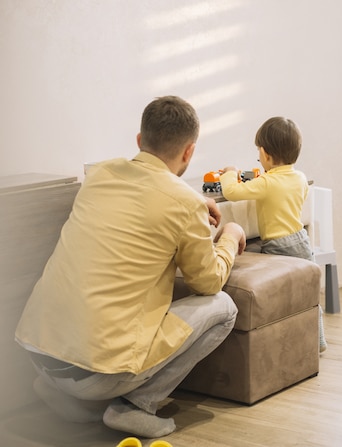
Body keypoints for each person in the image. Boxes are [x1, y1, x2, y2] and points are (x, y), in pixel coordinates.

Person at [14, 96, 247, 438]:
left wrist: (195, 203)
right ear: (189, 152)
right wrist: (230, 234)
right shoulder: (184, 203)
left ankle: (66, 397)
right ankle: (135, 406)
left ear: (140, 141)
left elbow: (146, 196)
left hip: (38, 352)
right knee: (223, 307)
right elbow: (207, 282)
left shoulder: (100, 174)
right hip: (97, 374)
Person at [220, 116, 327, 352]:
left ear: (265, 155)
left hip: (279, 245)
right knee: (308, 294)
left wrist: (229, 172)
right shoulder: (299, 178)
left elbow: (232, 192)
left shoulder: (267, 182)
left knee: (256, 266)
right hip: (300, 239)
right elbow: (277, 187)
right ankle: (318, 342)